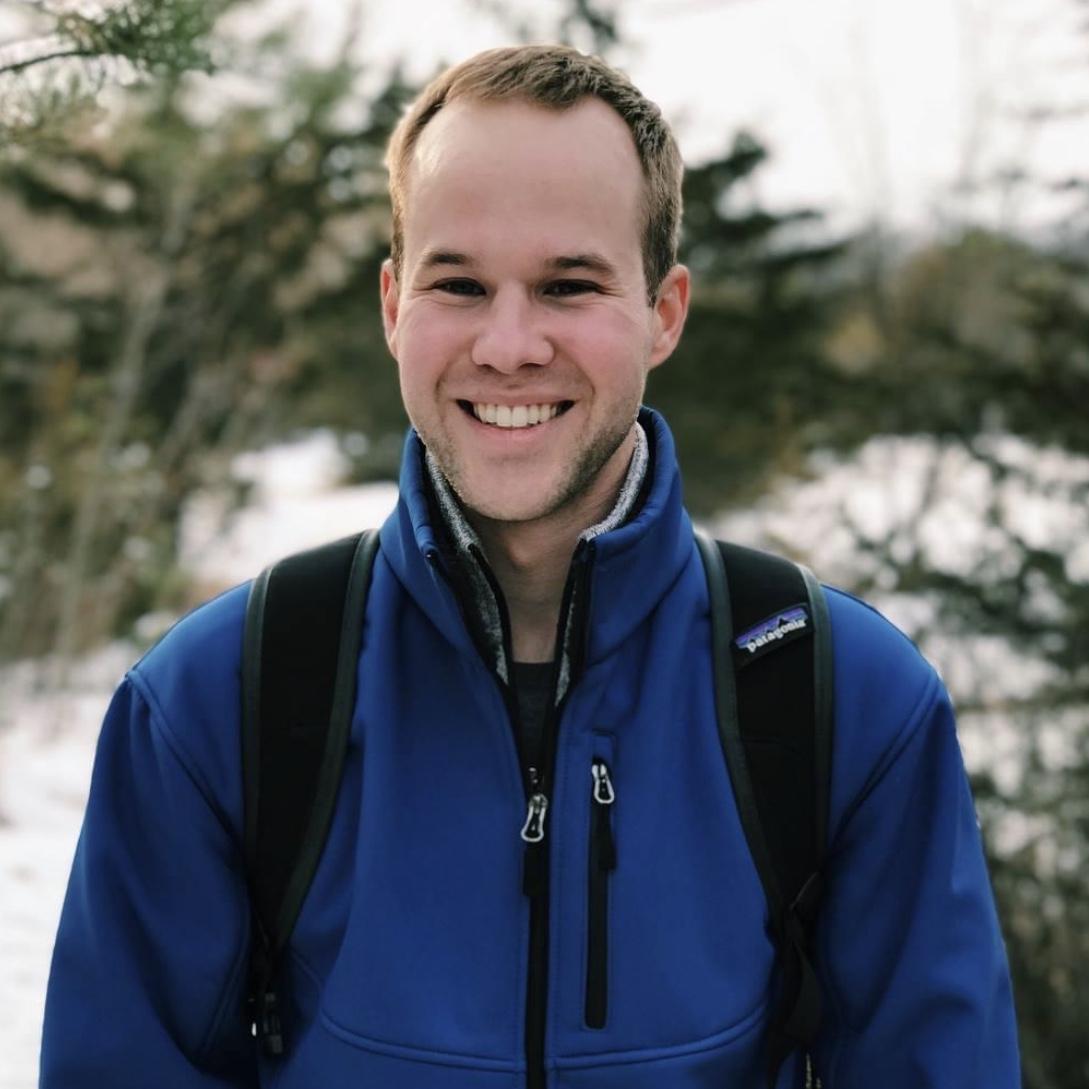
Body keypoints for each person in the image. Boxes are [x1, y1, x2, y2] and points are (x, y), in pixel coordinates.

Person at [41, 44, 1020, 1088]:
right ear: (393, 306)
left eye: (568, 285)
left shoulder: (845, 699)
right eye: (459, 283)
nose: (508, 345)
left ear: (664, 313)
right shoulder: (218, 699)